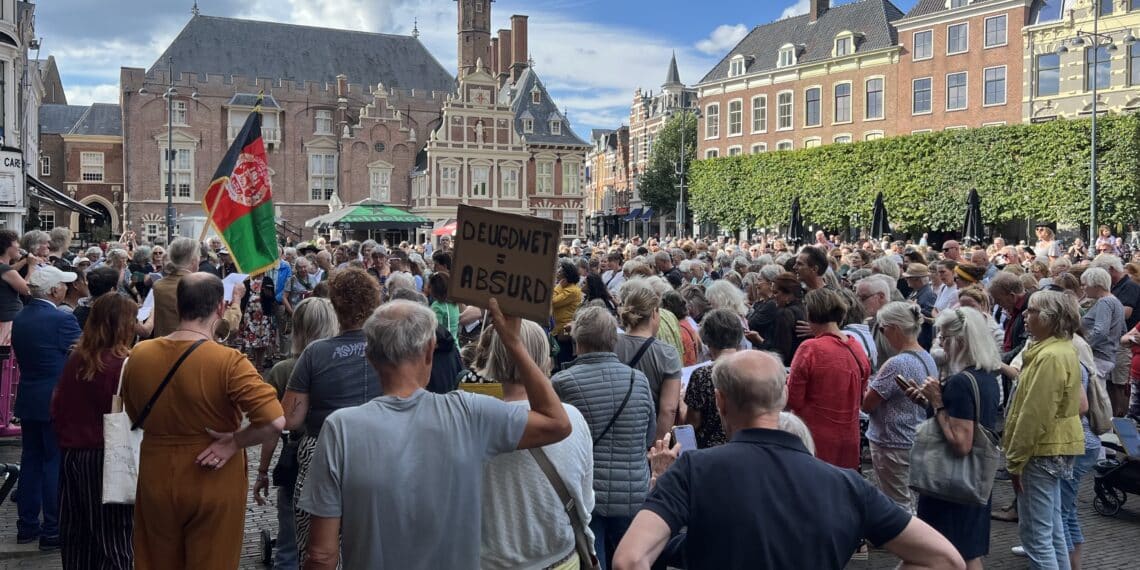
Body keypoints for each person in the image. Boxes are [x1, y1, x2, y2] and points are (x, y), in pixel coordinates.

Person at [612, 351, 966, 570]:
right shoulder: (846, 484)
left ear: (720, 401)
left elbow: (629, 558)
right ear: (782, 398)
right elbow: (945, 559)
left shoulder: (693, 470)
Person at [298, 299, 572, 569]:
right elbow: (556, 422)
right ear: (430, 351)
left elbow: (321, 555)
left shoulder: (340, 428)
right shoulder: (469, 413)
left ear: (370, 357)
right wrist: (513, 343)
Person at [121, 273, 285, 569]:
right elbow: (274, 421)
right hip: (212, 471)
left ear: (178, 305)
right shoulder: (229, 361)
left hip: (156, 470)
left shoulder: (139, 354)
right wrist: (235, 442)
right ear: (220, 308)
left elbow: (134, 414)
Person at [282, 267, 383, 562]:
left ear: (335, 306)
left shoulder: (316, 352)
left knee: (317, 548)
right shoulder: (388, 348)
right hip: (379, 448)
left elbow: (291, 418)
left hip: (323, 449)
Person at [480, 319, 595, 569]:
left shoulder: (476, 424)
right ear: (544, 358)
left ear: (494, 356)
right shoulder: (572, 418)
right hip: (561, 558)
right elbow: (585, 499)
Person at [553, 306, 655, 570]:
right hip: (633, 490)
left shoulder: (562, 382)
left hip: (587, 495)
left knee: (594, 561)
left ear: (577, 341)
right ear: (613, 340)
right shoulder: (638, 380)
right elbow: (649, 435)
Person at [903, 308, 1002, 569]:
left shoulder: (960, 382)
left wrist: (937, 402)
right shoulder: (987, 378)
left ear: (960, 341)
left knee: (933, 553)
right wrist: (929, 402)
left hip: (949, 483)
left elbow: (961, 443)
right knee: (968, 553)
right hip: (973, 480)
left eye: (945, 338)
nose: (941, 344)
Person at [50, 294, 138, 568]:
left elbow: (57, 407)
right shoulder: (124, 364)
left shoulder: (77, 358)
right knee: (115, 538)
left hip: (72, 455)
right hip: (106, 456)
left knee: (77, 537)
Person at [255, 297, 339, 570]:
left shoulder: (283, 371)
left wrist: (263, 470)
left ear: (298, 328)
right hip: (339, 458)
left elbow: (272, 426)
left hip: (296, 459)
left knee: (289, 544)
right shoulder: (344, 365)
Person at [1003, 291, 1085, 569]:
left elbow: (1035, 414)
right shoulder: (1059, 349)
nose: (1026, 316)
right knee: (1051, 529)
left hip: (1041, 450)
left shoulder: (1050, 356)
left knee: (1036, 535)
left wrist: (1015, 460)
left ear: (1050, 318)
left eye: (1032, 311)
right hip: (1053, 446)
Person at [11, 265, 82, 550]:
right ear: (53, 290)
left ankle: (27, 525)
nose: (66, 288)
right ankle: (52, 528)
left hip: (29, 397)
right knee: (53, 462)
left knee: (31, 460)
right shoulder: (61, 319)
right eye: (63, 285)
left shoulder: (21, 317)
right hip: (54, 399)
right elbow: (84, 353)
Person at [861, 302, 936, 513]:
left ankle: (905, 535)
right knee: (908, 499)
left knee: (897, 504)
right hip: (914, 438)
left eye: (882, 329)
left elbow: (867, 404)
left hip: (892, 442)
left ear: (894, 328)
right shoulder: (926, 356)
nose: (882, 334)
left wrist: (863, 384)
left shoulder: (896, 363)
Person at [786, 288, 870, 470]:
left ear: (810, 315)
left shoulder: (810, 348)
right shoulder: (856, 347)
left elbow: (793, 399)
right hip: (849, 436)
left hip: (815, 437)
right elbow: (861, 395)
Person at [615, 279, 682, 441]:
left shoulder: (609, 343)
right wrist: (657, 445)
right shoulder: (667, 353)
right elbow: (669, 409)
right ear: (654, 313)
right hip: (646, 434)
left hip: (614, 431)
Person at [151, 237, 243, 339]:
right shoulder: (201, 287)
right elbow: (226, 326)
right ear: (193, 260)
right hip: (196, 345)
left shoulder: (158, 286)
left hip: (165, 345)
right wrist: (236, 299)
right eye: (198, 256)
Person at [684, 309, 742, 449]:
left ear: (707, 339)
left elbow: (693, 422)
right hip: (744, 444)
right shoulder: (753, 368)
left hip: (710, 449)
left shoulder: (702, 374)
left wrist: (681, 405)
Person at [1080, 267, 1125, 384]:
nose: (1083, 288)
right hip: (1108, 356)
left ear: (1095, 284)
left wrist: (1084, 347)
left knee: (1094, 393)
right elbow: (1122, 330)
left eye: (1084, 284)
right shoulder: (1115, 301)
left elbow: (1100, 332)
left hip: (1098, 357)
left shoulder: (1104, 302)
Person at [762, 273, 806, 366]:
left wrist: (760, 342)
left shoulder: (784, 314)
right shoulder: (804, 309)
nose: (773, 296)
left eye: (776, 292)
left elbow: (780, 350)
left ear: (788, 294)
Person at [0, 229, 31, 344]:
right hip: (8, 321)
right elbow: (27, 290)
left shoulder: (4, 269)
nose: (19, 246)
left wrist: (23, 261)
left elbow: (10, 271)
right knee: (8, 353)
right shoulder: (5, 269)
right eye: (16, 242)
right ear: (9, 246)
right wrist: (32, 268)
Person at [552, 259, 584, 367]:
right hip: (558, 327)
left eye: (560, 271)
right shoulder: (566, 287)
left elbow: (553, 301)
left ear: (566, 275)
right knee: (558, 356)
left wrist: (558, 286)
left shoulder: (572, 290)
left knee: (564, 356)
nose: (557, 272)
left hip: (565, 329)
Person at [428, 271, 460, 345]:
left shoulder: (437, 307)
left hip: (444, 348)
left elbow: (437, 333)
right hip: (455, 346)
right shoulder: (454, 303)